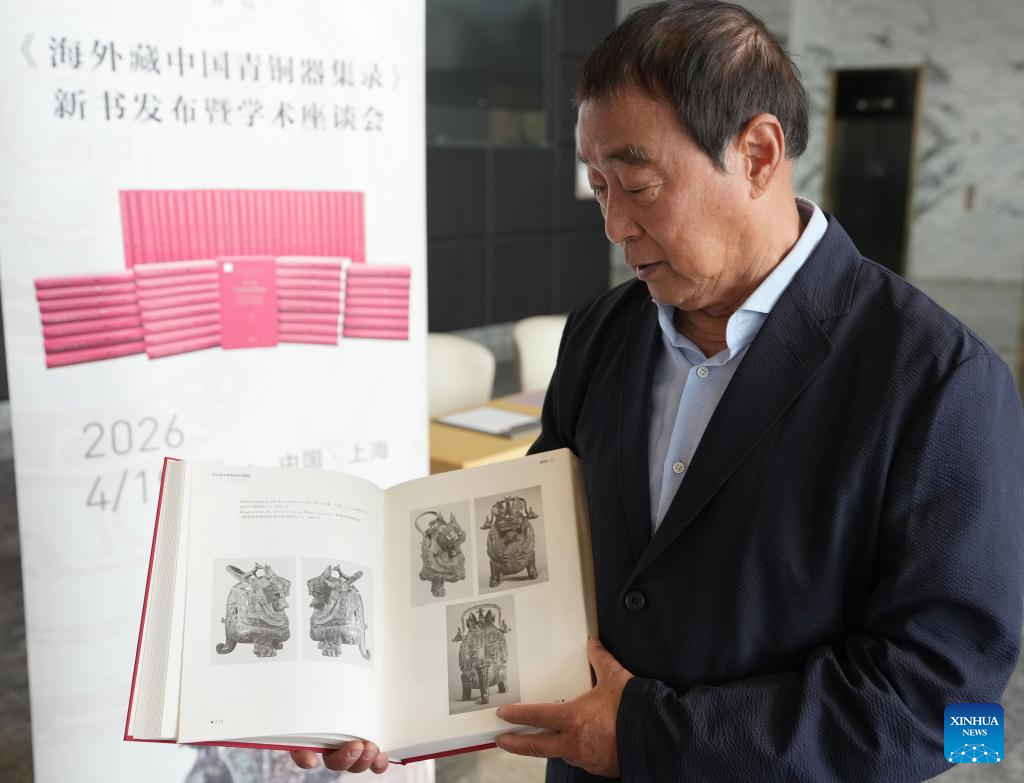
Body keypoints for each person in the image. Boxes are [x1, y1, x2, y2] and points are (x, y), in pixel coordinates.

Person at [291, 1, 1023, 779]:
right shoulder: (603, 334)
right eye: (598, 186)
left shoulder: (939, 379)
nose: (614, 225)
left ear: (759, 153)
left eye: (636, 185)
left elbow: (957, 716)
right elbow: (527, 566)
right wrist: (386, 697)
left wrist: (649, 734)